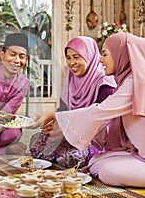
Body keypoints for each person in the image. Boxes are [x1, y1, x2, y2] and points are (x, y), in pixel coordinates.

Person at [40, 32, 145, 187]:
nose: (100, 60)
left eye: (105, 54)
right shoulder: (126, 81)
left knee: (106, 171)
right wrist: (62, 127)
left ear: (121, 54)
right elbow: (103, 118)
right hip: (138, 152)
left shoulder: (135, 83)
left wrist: (58, 119)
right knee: (96, 162)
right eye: (68, 57)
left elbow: (100, 112)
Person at [29, 36, 117, 168]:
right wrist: (54, 126)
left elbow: (105, 123)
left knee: (74, 157)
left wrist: (68, 130)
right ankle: (59, 155)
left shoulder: (104, 85)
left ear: (90, 56)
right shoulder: (71, 80)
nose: (71, 63)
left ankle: (66, 157)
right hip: (70, 135)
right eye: (68, 58)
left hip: (94, 139)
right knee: (36, 142)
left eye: (77, 57)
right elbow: (63, 111)